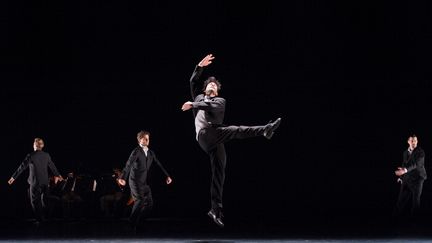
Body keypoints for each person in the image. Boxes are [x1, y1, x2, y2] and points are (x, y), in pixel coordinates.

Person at [181, 54, 282, 227]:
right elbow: (192, 82)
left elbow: (210, 106)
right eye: (209, 84)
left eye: (214, 85)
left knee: (219, 174)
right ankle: (264, 129)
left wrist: (193, 104)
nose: (212, 85)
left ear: (217, 91)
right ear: (205, 88)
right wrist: (199, 66)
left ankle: (215, 210)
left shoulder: (220, 101)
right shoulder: (198, 98)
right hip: (205, 136)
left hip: (216, 137)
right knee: (235, 130)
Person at [117, 130, 173, 228]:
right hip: (134, 181)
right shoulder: (136, 151)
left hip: (143, 183)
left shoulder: (151, 153)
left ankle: (139, 222)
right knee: (139, 200)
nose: (147, 140)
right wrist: (123, 177)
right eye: (144, 138)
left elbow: (158, 164)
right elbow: (128, 164)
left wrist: (167, 175)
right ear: (140, 140)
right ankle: (131, 222)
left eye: (148, 138)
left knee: (150, 204)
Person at [8, 138, 63, 224]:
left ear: (35, 145)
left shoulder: (31, 155)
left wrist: (13, 177)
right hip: (45, 182)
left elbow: (22, 167)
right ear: (42, 146)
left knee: (35, 201)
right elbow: (52, 166)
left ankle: (41, 220)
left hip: (35, 183)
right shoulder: (46, 155)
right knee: (45, 200)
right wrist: (58, 175)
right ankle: (45, 217)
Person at [393, 134, 427, 219]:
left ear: (417, 141)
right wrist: (401, 177)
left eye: (415, 140)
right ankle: (394, 219)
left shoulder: (421, 152)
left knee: (416, 201)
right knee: (401, 200)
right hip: (408, 178)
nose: (414, 142)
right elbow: (404, 164)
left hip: (418, 178)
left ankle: (415, 221)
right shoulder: (405, 152)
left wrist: (404, 170)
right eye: (412, 141)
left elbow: (415, 164)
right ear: (408, 142)